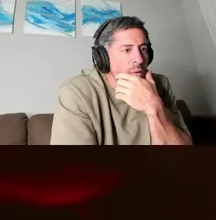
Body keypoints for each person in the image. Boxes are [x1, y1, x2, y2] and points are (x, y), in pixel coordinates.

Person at [49, 16, 191, 145]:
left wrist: (154, 107)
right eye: (127, 50)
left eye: (143, 49)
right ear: (102, 57)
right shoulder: (77, 93)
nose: (139, 59)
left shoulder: (161, 84)